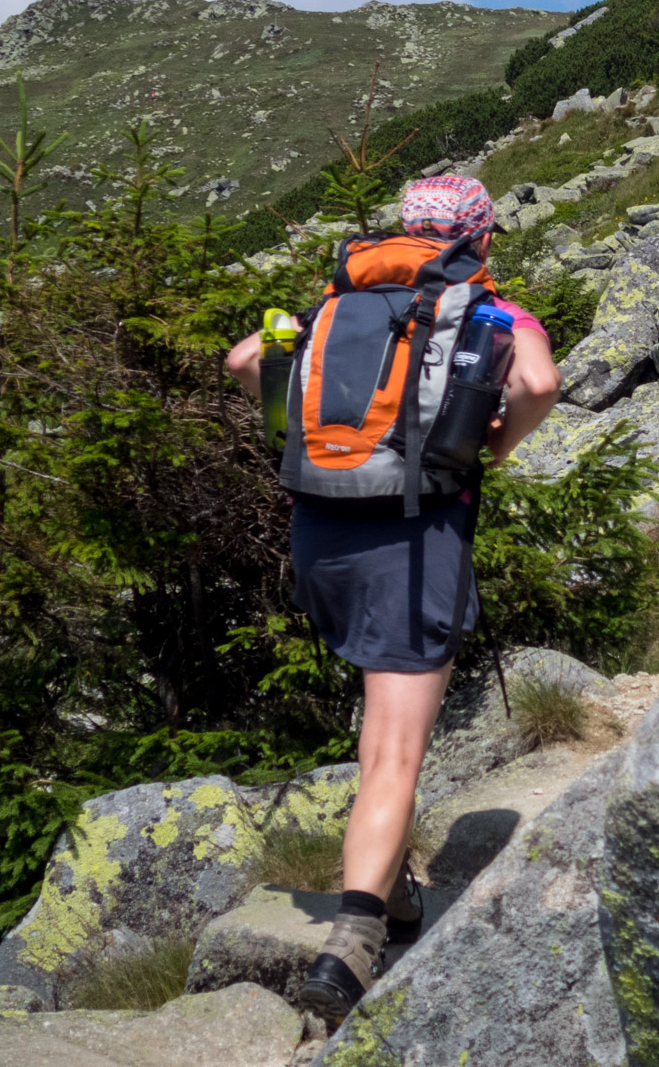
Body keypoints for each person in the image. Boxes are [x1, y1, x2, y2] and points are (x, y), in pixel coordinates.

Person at [224, 174, 561, 1023]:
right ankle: (354, 945)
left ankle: (397, 890)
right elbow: (540, 387)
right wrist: (500, 448)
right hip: (413, 533)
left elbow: (242, 362)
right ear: (480, 238)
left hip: (319, 531)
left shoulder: (337, 301)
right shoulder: (495, 313)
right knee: (394, 751)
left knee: (374, 717)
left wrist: (293, 432)